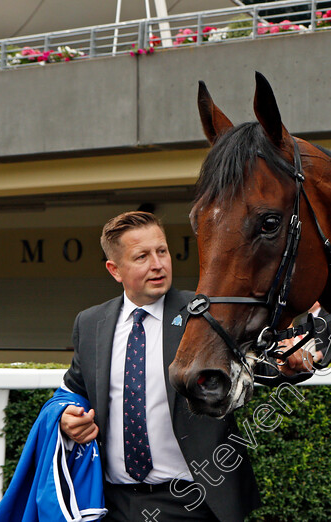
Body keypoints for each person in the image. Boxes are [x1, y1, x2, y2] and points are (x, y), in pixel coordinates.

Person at [60, 211, 261, 521]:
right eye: (142, 256)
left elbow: (256, 360)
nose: (158, 264)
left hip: (195, 501)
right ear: (115, 270)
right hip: (114, 504)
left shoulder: (205, 315)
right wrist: (67, 419)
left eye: (162, 251)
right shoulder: (90, 324)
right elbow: (74, 392)